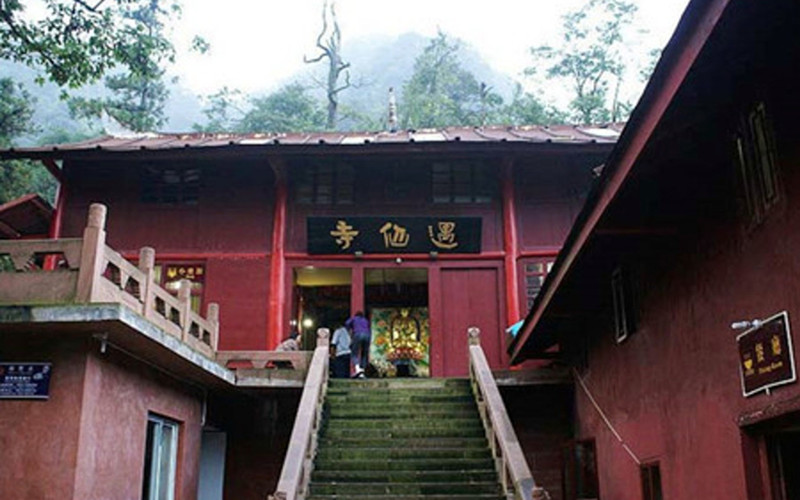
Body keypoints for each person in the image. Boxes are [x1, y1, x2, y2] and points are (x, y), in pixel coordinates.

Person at [346, 311, 370, 378]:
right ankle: (362, 370)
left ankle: (357, 369)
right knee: (364, 354)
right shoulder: (365, 320)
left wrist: (350, 330)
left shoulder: (354, 318)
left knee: (354, 353)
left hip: (357, 334)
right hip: (367, 335)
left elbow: (347, 323)